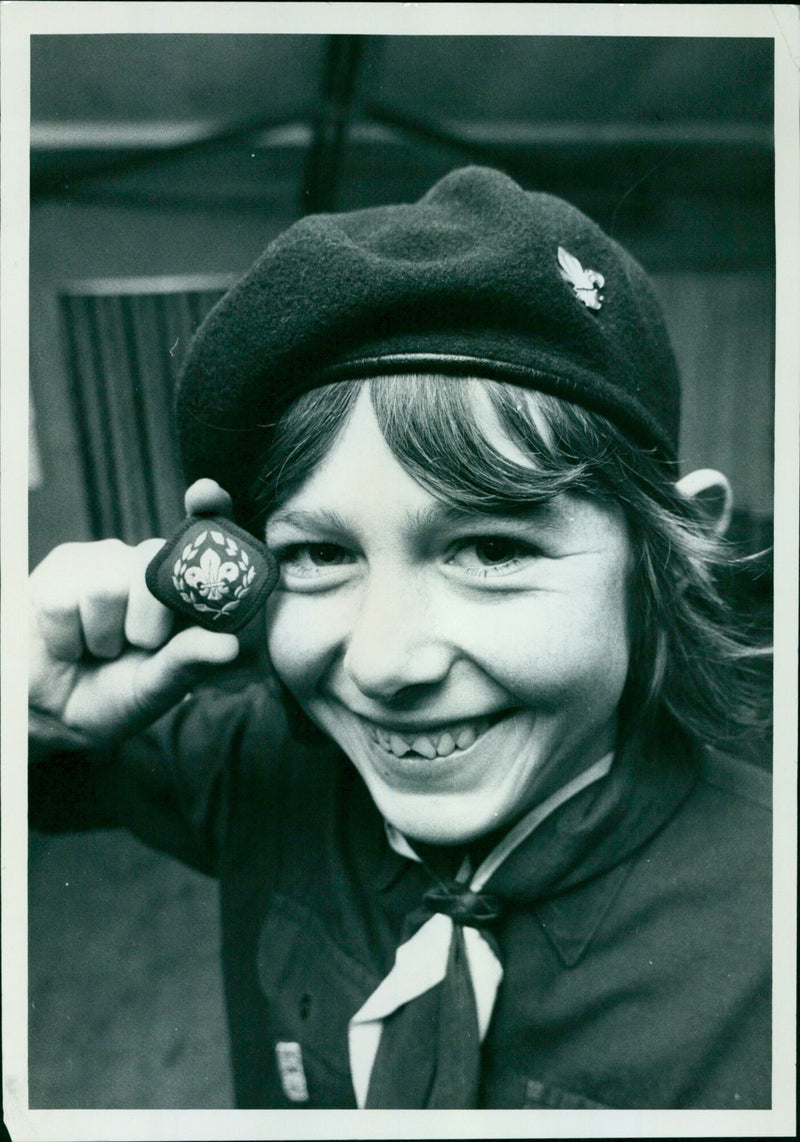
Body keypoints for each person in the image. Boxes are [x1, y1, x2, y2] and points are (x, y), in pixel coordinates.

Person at [28, 166, 771, 1110]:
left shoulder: (766, 929)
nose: (383, 662)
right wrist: (35, 709)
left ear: (669, 556)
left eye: (493, 548)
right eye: (320, 554)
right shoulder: (257, 765)